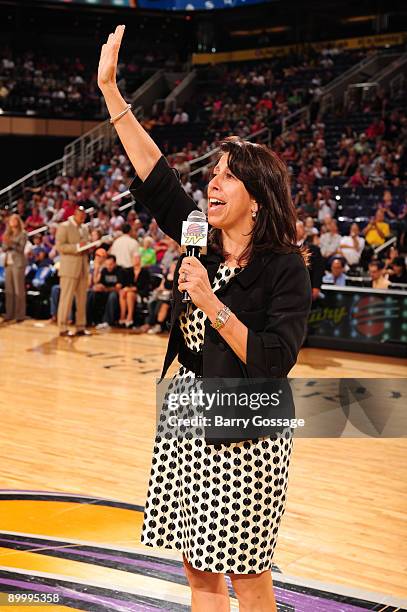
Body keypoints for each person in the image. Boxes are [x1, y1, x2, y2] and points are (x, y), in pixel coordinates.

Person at [98, 25, 311, 612]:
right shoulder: (201, 238)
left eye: (227, 176)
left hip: (246, 421)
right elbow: (154, 172)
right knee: (198, 571)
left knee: (247, 575)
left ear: (258, 198)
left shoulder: (284, 268)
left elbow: (274, 361)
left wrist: (213, 306)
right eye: (212, 174)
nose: (212, 182)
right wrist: (113, 93)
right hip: (188, 405)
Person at [55, 206, 91, 337]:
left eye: (84, 216)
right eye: (80, 215)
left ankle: (80, 326)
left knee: (82, 299)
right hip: (69, 268)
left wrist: (89, 247)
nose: (82, 217)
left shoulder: (85, 228)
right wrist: (77, 247)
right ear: (75, 214)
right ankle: (62, 327)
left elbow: (85, 245)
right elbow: (60, 246)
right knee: (66, 299)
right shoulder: (64, 226)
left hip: (82, 267)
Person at [1, 214, 27, 322]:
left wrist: (11, 242)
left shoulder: (23, 233)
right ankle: (9, 314)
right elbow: (4, 247)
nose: (12, 222)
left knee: (18, 290)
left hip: (18, 263)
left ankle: (20, 315)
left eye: (14, 220)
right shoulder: (7, 233)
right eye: (11, 220)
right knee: (9, 290)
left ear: (18, 221)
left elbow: (21, 248)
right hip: (8, 263)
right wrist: (6, 243)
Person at [118, 253, 151, 328]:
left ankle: (130, 317)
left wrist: (132, 289)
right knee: (122, 292)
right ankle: (122, 316)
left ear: (140, 260)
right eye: (134, 258)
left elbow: (145, 286)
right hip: (129, 291)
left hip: (141, 292)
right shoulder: (128, 271)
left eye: (137, 258)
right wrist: (127, 289)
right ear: (132, 260)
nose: (136, 260)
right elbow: (125, 283)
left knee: (130, 294)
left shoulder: (145, 271)